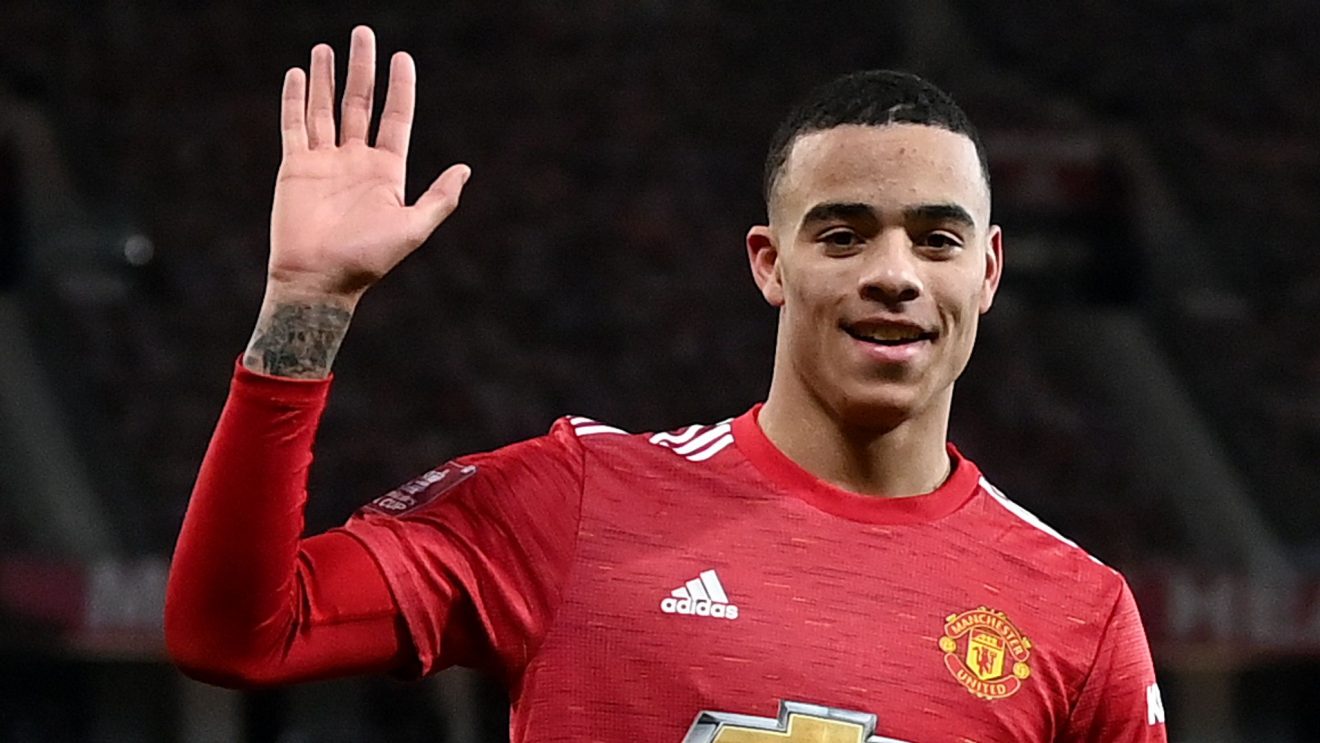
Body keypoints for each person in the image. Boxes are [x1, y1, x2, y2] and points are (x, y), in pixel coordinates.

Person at [165, 25, 1167, 742]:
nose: (895, 274)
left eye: (937, 239)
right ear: (769, 263)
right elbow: (236, 634)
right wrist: (306, 307)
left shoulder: (1078, 615)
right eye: (844, 234)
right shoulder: (577, 502)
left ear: (987, 270)